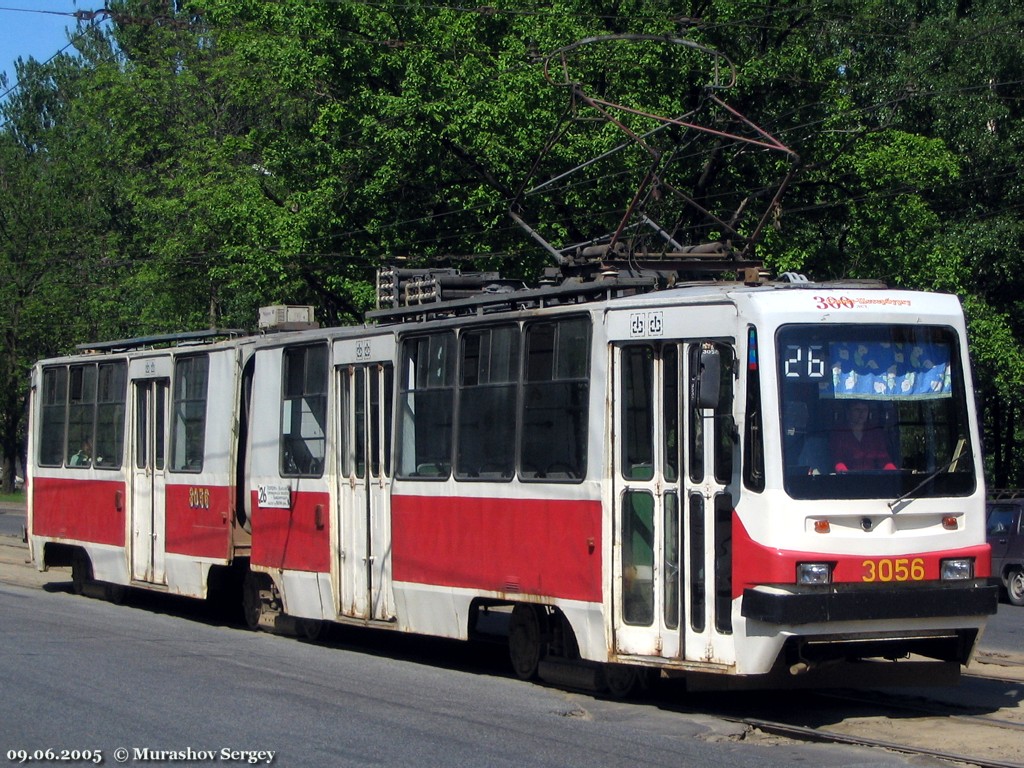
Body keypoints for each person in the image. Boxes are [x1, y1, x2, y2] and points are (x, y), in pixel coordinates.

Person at [829, 401, 896, 472]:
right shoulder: (838, 434)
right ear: (848, 412)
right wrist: (846, 474)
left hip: (873, 477)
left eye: (865, 410)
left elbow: (884, 461)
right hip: (847, 478)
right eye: (857, 410)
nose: (862, 413)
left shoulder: (875, 433)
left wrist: (895, 473)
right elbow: (837, 461)